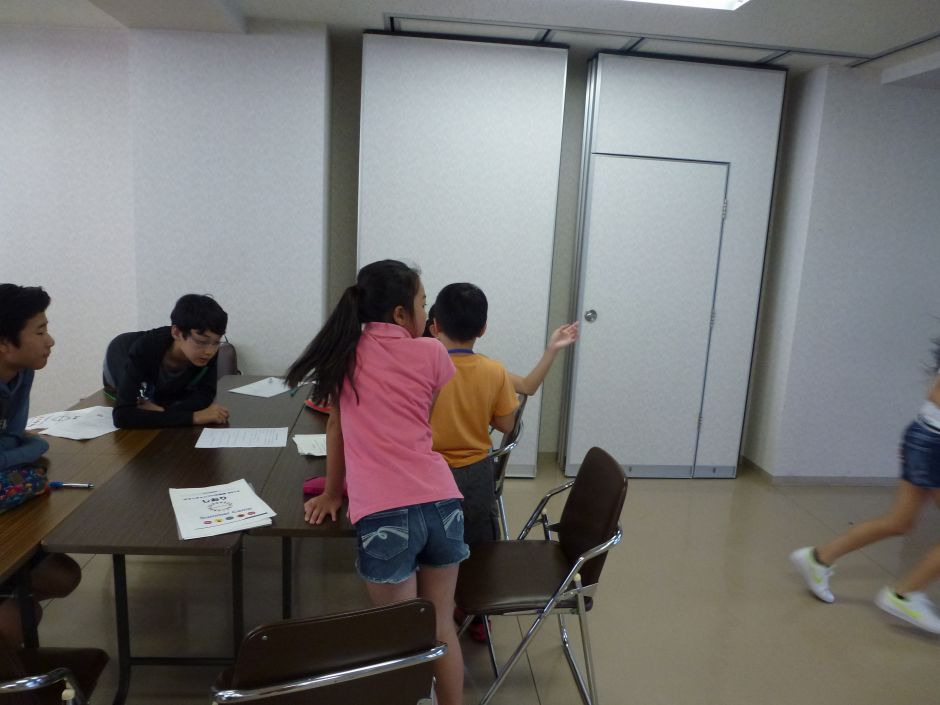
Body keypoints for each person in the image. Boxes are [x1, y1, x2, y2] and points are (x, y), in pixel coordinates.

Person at [287, 260, 466, 705]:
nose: (426, 312)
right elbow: (421, 418)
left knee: (400, 639)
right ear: (401, 314)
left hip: (386, 513)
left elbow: (336, 429)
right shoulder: (433, 353)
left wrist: (332, 492)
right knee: (441, 626)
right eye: (422, 302)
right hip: (443, 502)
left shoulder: (345, 354)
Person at [427, 283, 578, 641]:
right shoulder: (492, 370)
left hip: (429, 475)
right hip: (475, 477)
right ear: (482, 329)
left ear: (434, 326)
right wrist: (552, 350)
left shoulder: (423, 368)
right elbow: (509, 420)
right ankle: (478, 616)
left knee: (430, 544)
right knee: (478, 544)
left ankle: (430, 609)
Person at [790, 344, 940, 635]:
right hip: (934, 443)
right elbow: (936, 393)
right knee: (900, 521)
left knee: (899, 522)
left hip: (925, 437)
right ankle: (905, 595)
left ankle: (818, 558)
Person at [0, 284, 81, 647]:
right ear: (5, 343)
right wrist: (34, 447)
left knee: (62, 575)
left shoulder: (21, 373)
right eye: (40, 332)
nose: (51, 341)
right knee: (19, 621)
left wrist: (27, 447)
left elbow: (12, 438)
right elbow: (24, 445)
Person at [106, 294, 230, 429]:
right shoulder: (144, 348)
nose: (209, 351)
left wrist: (164, 412)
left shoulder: (206, 352)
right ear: (176, 333)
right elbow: (122, 416)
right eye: (201, 341)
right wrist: (194, 417)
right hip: (118, 358)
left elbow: (204, 398)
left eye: (216, 342)